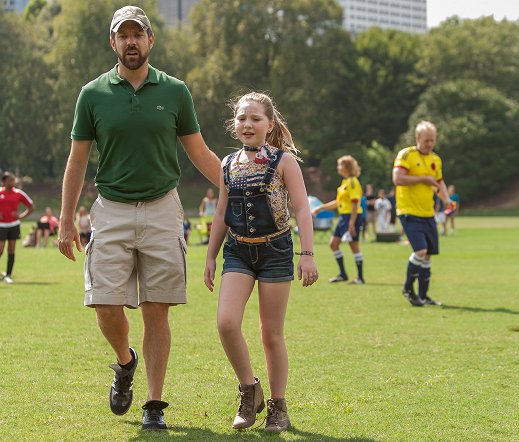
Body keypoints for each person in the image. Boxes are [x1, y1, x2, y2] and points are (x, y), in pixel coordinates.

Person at [57, 6, 221, 432]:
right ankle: (125, 361)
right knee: (105, 305)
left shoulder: (175, 91)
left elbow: (198, 151)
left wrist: (236, 185)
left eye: (138, 34)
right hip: (109, 208)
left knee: (155, 309)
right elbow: (77, 161)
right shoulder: (92, 94)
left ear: (151, 41)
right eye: (123, 35)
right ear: (113, 43)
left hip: (162, 207)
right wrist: (65, 218)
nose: (131, 41)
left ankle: (154, 404)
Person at [204, 91, 317, 433]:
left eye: (255, 118)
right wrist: (210, 255)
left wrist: (307, 255)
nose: (248, 124)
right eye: (241, 118)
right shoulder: (227, 164)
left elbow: (301, 209)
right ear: (233, 124)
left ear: (269, 124)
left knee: (271, 334)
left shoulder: (284, 162)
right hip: (237, 251)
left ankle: (278, 407)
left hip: (276, 251)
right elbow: (222, 212)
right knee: (226, 323)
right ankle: (249, 389)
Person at [393, 120, 451, 307]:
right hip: (408, 211)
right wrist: (423, 179)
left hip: (428, 212)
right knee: (420, 251)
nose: (430, 144)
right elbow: (398, 178)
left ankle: (424, 296)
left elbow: (439, 183)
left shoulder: (435, 159)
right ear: (417, 138)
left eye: (432, 140)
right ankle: (408, 289)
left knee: (428, 256)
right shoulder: (406, 155)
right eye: (426, 140)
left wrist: (447, 199)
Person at [312, 155, 365, 284]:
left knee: (354, 246)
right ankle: (343, 274)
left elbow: (355, 204)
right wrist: (321, 208)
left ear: (347, 167)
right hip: (343, 218)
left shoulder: (353, 182)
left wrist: (351, 223)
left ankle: (360, 278)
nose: (338, 167)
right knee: (333, 244)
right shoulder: (345, 182)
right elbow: (338, 202)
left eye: (340, 165)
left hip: (351, 217)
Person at [0, 171, 35, 283]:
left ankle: (8, 275)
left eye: (13, 179)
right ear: (4, 181)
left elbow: (31, 206)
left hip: (14, 225)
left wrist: (20, 216)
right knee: (0, 250)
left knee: (11, 249)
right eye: (10, 180)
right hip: (1, 226)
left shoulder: (18, 193)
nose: (13, 182)